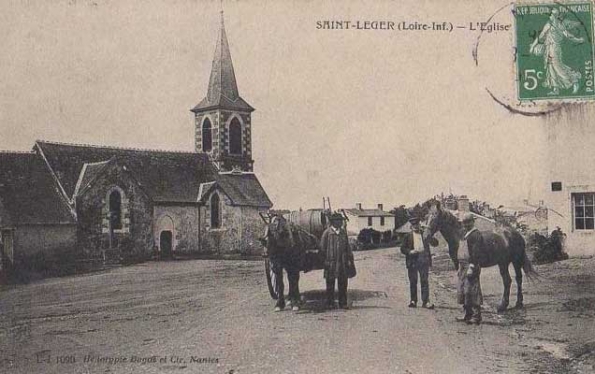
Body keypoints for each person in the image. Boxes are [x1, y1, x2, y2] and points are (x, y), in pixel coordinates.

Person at [530, 8, 584, 95]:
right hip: (548, 49)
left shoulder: (558, 25)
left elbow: (568, 35)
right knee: (551, 68)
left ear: (555, 16)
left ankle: (574, 80)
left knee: (558, 67)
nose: (550, 16)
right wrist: (533, 46)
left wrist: (578, 40)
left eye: (551, 15)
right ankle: (555, 89)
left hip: (554, 49)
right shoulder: (550, 25)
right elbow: (541, 36)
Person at [320, 212, 353, 309]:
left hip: (342, 263)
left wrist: (349, 259)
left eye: (341, 220)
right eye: (338, 221)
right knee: (330, 284)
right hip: (331, 263)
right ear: (333, 222)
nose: (340, 222)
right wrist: (324, 261)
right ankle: (330, 303)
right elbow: (322, 249)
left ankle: (343, 303)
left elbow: (347, 247)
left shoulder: (343, 232)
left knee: (343, 283)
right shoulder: (327, 233)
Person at [400, 216, 434, 309]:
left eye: (417, 224)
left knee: (424, 281)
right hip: (412, 262)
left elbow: (435, 243)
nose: (415, 226)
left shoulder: (424, 234)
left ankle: (426, 301)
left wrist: (429, 235)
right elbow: (402, 248)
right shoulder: (407, 236)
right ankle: (413, 300)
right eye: (413, 225)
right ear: (411, 226)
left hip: (423, 261)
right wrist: (409, 251)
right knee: (413, 282)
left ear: (419, 225)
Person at [456, 213, 483, 325]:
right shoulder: (464, 234)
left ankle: (476, 316)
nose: (466, 225)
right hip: (462, 266)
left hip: (471, 265)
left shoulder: (476, 235)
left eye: (468, 222)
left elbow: (476, 253)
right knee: (463, 291)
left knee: (472, 290)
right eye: (464, 223)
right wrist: (459, 267)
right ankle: (467, 314)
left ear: (473, 222)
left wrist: (472, 267)